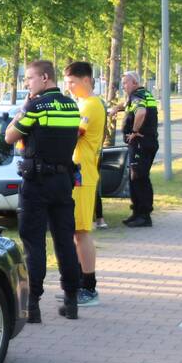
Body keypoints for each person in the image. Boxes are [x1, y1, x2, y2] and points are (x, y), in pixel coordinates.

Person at [5, 60, 83, 322]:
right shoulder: (72, 106)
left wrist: (21, 110)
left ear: (45, 77)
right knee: (65, 241)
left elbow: (10, 136)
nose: (27, 83)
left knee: (33, 243)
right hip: (63, 181)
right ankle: (71, 300)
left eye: (29, 78)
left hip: (37, 182)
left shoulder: (35, 106)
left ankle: (33, 305)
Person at [64, 61, 106, 307]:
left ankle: (89, 287)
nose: (69, 88)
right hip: (76, 173)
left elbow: (74, 133)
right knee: (74, 232)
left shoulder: (91, 105)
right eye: (67, 83)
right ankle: (79, 282)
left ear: (86, 80)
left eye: (72, 83)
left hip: (83, 174)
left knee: (81, 232)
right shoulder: (82, 103)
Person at [109, 71, 158, 227]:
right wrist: (117, 108)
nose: (123, 86)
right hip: (147, 143)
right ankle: (137, 212)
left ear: (134, 83)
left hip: (140, 143)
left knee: (139, 178)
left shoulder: (137, 96)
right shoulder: (143, 94)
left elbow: (141, 112)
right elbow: (128, 104)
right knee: (136, 177)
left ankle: (143, 215)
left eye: (125, 83)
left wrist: (135, 131)